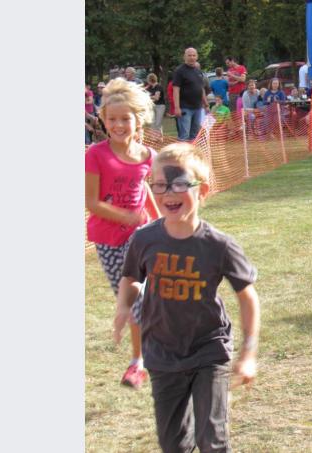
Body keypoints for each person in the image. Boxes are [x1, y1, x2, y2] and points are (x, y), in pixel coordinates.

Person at [113, 143, 260, 453]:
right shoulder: (145, 239)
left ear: (202, 190)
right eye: (160, 185)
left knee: (212, 440)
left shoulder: (220, 245)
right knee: (174, 445)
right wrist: (123, 306)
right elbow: (130, 277)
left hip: (209, 350)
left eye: (180, 183)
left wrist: (247, 353)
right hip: (163, 354)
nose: (168, 193)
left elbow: (248, 297)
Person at [85, 78, 159, 390]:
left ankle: (148, 359)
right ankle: (138, 363)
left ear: (137, 119)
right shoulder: (96, 155)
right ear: (103, 119)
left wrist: (162, 222)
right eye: (112, 119)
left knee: (157, 295)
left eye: (125, 119)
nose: (118, 125)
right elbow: (91, 203)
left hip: (141, 236)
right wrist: (126, 215)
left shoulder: (147, 156)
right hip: (110, 241)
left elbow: (146, 191)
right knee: (134, 301)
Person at [173, 47, 210, 141]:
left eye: (194, 55)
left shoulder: (198, 71)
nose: (192, 57)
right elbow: (176, 89)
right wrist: (177, 107)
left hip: (198, 108)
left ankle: (192, 155)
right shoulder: (179, 71)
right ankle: (182, 155)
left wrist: (206, 104)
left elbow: (201, 89)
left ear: (197, 57)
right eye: (189, 55)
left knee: (195, 135)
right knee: (184, 135)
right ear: (184, 57)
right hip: (185, 108)